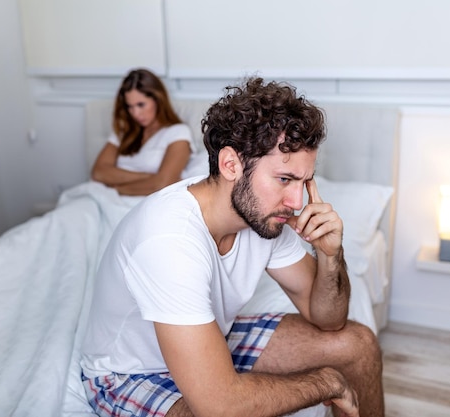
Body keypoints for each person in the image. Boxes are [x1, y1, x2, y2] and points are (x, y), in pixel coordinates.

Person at [80, 77, 384, 417]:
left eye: (303, 182)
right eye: (284, 179)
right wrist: (327, 383)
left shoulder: (264, 218)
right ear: (230, 165)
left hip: (208, 340)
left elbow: (329, 320)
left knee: (358, 345)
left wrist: (330, 255)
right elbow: (220, 407)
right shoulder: (169, 240)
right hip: (132, 373)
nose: (296, 201)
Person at [91, 68, 193, 195]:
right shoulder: (124, 132)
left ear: (158, 100)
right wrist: (148, 177)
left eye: (141, 105)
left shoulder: (178, 132)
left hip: (131, 200)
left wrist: (116, 188)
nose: (135, 113)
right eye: (130, 106)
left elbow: (162, 184)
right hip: (102, 195)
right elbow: (99, 172)